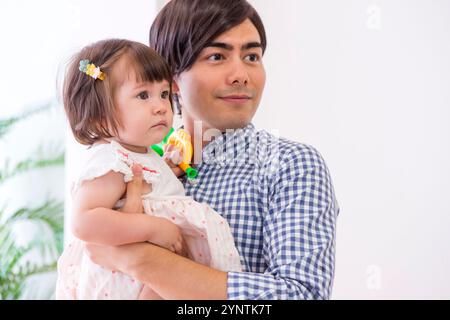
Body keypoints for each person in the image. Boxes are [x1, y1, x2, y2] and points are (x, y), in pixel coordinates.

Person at [85, 0, 340, 299]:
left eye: (252, 56)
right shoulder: (133, 165)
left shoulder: (290, 166)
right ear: (171, 78)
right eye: (217, 56)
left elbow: (302, 295)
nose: (241, 75)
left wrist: (140, 259)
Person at [55, 38, 242, 300]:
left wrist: (165, 172)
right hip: (121, 278)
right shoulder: (110, 159)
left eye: (164, 94)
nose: (160, 106)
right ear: (100, 115)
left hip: (152, 271)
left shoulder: (142, 154)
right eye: (143, 95)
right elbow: (84, 222)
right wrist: (152, 228)